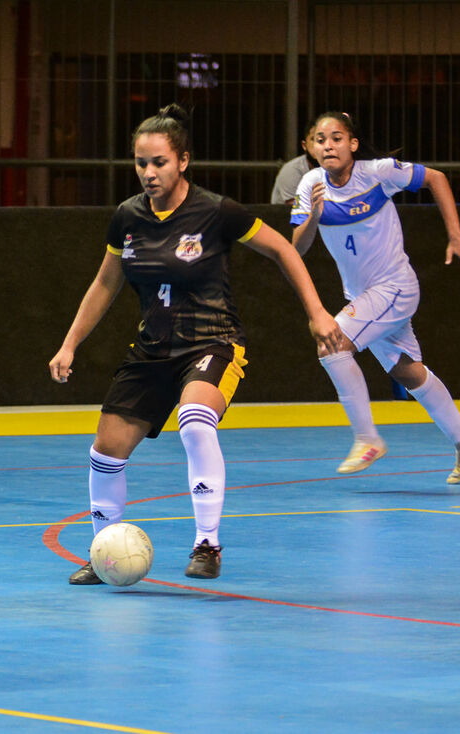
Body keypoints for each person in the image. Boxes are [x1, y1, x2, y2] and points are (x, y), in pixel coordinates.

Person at [49, 104, 342, 583]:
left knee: (194, 418)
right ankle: (104, 554)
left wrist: (316, 312)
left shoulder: (216, 211)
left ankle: (207, 544)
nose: (148, 172)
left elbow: (284, 249)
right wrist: (69, 345)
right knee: (105, 449)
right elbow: (105, 283)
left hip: (213, 342)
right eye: (141, 163)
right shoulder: (127, 217)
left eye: (159, 162)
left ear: (183, 160)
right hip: (152, 350)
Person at [290, 111, 460, 482]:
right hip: (365, 297)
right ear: (310, 147)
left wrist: (455, 233)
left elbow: (436, 178)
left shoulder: (377, 173)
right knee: (407, 371)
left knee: (331, 343)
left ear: (353, 143)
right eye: (320, 139)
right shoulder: (310, 185)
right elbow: (297, 249)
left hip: (395, 287)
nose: (328, 145)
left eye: (336, 137)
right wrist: (314, 215)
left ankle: (367, 439)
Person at [270, 121, 321, 204]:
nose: (318, 144)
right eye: (313, 139)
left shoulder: (335, 167)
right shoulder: (292, 170)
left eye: (321, 140)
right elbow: (296, 206)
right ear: (304, 145)